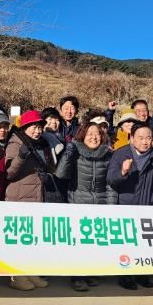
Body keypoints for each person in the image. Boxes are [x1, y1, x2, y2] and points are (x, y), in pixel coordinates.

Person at [5, 110, 64, 291]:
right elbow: (9, 173)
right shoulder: (15, 143)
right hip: (19, 197)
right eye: (33, 127)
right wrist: (21, 156)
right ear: (24, 127)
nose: (37, 131)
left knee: (32, 239)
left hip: (37, 195)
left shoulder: (41, 144)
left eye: (39, 127)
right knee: (20, 239)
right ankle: (17, 277)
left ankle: (31, 272)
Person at [107, 122, 153, 290]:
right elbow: (111, 179)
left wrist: (152, 201)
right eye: (140, 138)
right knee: (126, 243)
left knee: (144, 243)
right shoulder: (121, 154)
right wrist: (123, 172)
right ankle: (125, 276)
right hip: (125, 206)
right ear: (132, 138)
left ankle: (142, 274)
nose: (145, 141)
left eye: (148, 138)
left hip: (147, 206)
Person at [56, 121, 116, 291]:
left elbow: (110, 184)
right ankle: (78, 277)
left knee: (96, 243)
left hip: (101, 204)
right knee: (80, 245)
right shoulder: (75, 152)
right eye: (89, 134)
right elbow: (61, 174)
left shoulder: (108, 155)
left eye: (97, 134)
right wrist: (69, 151)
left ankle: (92, 273)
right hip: (78, 203)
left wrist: (111, 206)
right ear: (82, 136)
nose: (93, 137)